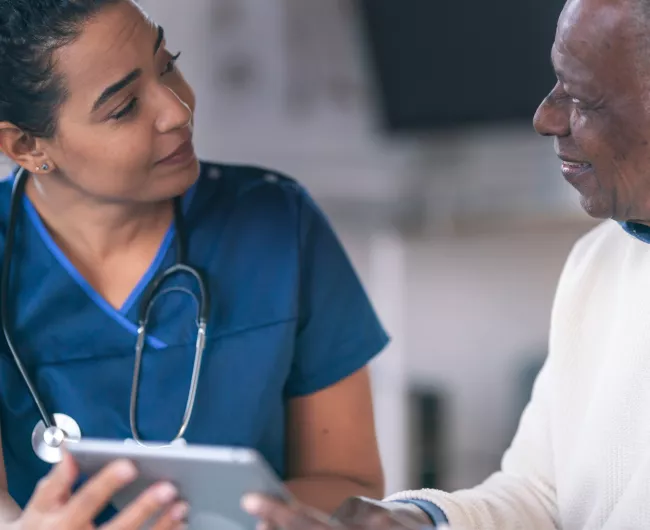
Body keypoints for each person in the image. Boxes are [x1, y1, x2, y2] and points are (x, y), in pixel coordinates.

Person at [242, 0, 650, 528]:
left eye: (584, 100)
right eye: (556, 84)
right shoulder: (600, 261)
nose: (546, 119)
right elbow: (542, 494)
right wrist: (414, 522)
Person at [0, 0, 388, 528]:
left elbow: (350, 480)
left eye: (167, 65)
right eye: (124, 107)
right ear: (25, 145)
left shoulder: (278, 222)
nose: (177, 111)